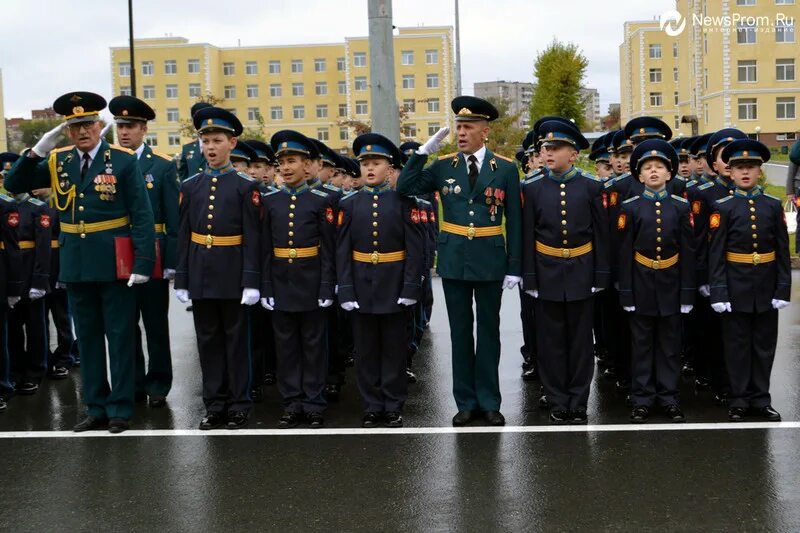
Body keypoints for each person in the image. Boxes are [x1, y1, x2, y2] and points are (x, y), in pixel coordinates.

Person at [5, 91, 155, 433]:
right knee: (85, 338)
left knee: (118, 336)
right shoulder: (59, 161)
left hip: (114, 260)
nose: (81, 131)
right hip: (76, 261)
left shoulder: (122, 160)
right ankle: (96, 407)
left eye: (87, 124)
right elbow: (14, 184)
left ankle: (120, 407)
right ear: (67, 130)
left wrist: (143, 263)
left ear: (99, 125)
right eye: (74, 126)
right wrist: (36, 152)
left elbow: (141, 215)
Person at [397, 96, 522, 427]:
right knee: (461, 334)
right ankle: (465, 402)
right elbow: (404, 187)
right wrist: (422, 153)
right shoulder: (443, 166)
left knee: (490, 333)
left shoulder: (506, 168)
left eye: (468, 127)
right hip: (453, 260)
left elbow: (516, 220)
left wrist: (515, 266)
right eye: (458, 127)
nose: (461, 133)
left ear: (485, 131)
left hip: (491, 259)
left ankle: (490, 402)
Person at [175, 106, 261, 430]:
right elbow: (184, 234)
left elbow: (254, 236)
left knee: (236, 340)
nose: (210, 147)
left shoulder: (245, 186)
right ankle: (215, 404)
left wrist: (251, 281)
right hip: (201, 273)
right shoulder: (191, 185)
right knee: (207, 341)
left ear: (232, 144)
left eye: (217, 141)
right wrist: (182, 277)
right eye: (205, 141)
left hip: (233, 272)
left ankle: (239, 403)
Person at [521, 119, 609, 424]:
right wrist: (529, 277)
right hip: (546, 272)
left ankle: (578, 400)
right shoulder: (531, 188)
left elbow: (601, 234)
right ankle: (558, 399)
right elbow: (527, 235)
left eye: (555, 148)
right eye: (546, 147)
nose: (548, 152)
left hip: (582, 271)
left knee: (581, 342)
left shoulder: (591, 186)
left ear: (573, 154)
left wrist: (600, 275)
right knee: (551, 341)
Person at [337, 133, 423, 427]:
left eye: (376, 163)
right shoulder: (348, 204)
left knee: (393, 349)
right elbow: (343, 250)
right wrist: (346, 289)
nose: (370, 169)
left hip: (394, 285)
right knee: (366, 349)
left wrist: (411, 286)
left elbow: (415, 248)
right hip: (361, 285)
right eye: (365, 164)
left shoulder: (403, 202)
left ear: (390, 168)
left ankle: (393, 402)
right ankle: (372, 404)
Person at [709, 138, 790, 422]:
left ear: (760, 172)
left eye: (751, 168)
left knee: (764, 346)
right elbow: (716, 253)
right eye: (739, 168)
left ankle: (761, 399)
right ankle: (739, 399)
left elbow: (782, 251)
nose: (745, 173)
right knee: (737, 346)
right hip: (735, 286)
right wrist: (719, 292)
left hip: (766, 286)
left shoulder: (771, 205)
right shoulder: (724, 207)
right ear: (729, 172)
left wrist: (783, 288)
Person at [260, 130, 335, 429]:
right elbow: (264, 248)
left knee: (314, 344)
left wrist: (328, 284)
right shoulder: (270, 201)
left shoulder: (322, 200)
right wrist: (266, 285)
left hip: (312, 280)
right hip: (280, 281)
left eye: (293, 161)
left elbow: (329, 248)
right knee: (286, 346)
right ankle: (292, 402)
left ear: (307, 166)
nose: (287, 168)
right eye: (282, 163)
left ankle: (314, 402)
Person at [109, 95, 179, 408]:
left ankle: (159, 383)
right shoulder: (107, 163)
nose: (124, 132)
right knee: (124, 324)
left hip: (154, 251)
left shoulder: (162, 165)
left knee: (154, 323)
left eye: (131, 126)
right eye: (120, 126)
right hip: (120, 253)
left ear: (144, 129)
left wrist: (172, 262)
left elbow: (173, 220)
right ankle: (133, 383)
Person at [618, 139, 695, 423]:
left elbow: (688, 251)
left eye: (659, 167)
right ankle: (642, 398)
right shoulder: (630, 208)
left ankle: (669, 397)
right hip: (640, 284)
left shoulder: (681, 207)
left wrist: (687, 293)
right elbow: (624, 253)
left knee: (670, 345)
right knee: (641, 345)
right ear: (639, 176)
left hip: (672, 284)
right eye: (647, 168)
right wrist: (625, 292)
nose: (653, 172)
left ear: (669, 174)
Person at [7, 191, 51, 395]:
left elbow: (43, 247)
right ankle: (15, 372)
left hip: (31, 271)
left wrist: (40, 280)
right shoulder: (4, 205)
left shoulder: (37, 208)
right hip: (10, 275)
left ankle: (35, 372)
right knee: (13, 330)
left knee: (35, 328)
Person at [177, 102, 213, 182]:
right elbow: (183, 174)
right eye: (197, 119)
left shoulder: (222, 146)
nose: (201, 122)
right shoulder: (187, 148)